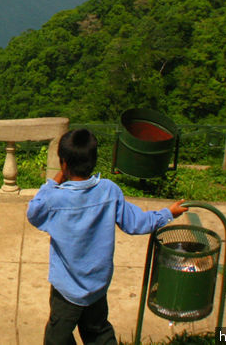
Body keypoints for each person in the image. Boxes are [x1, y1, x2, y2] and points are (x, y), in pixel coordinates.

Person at [27, 128, 188, 345]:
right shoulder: (109, 191)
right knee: (97, 331)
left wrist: (55, 180)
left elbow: (34, 212)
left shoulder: (56, 199)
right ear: (93, 160)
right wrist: (168, 213)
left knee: (57, 335)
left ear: (64, 163)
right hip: (97, 284)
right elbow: (137, 223)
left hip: (67, 289)